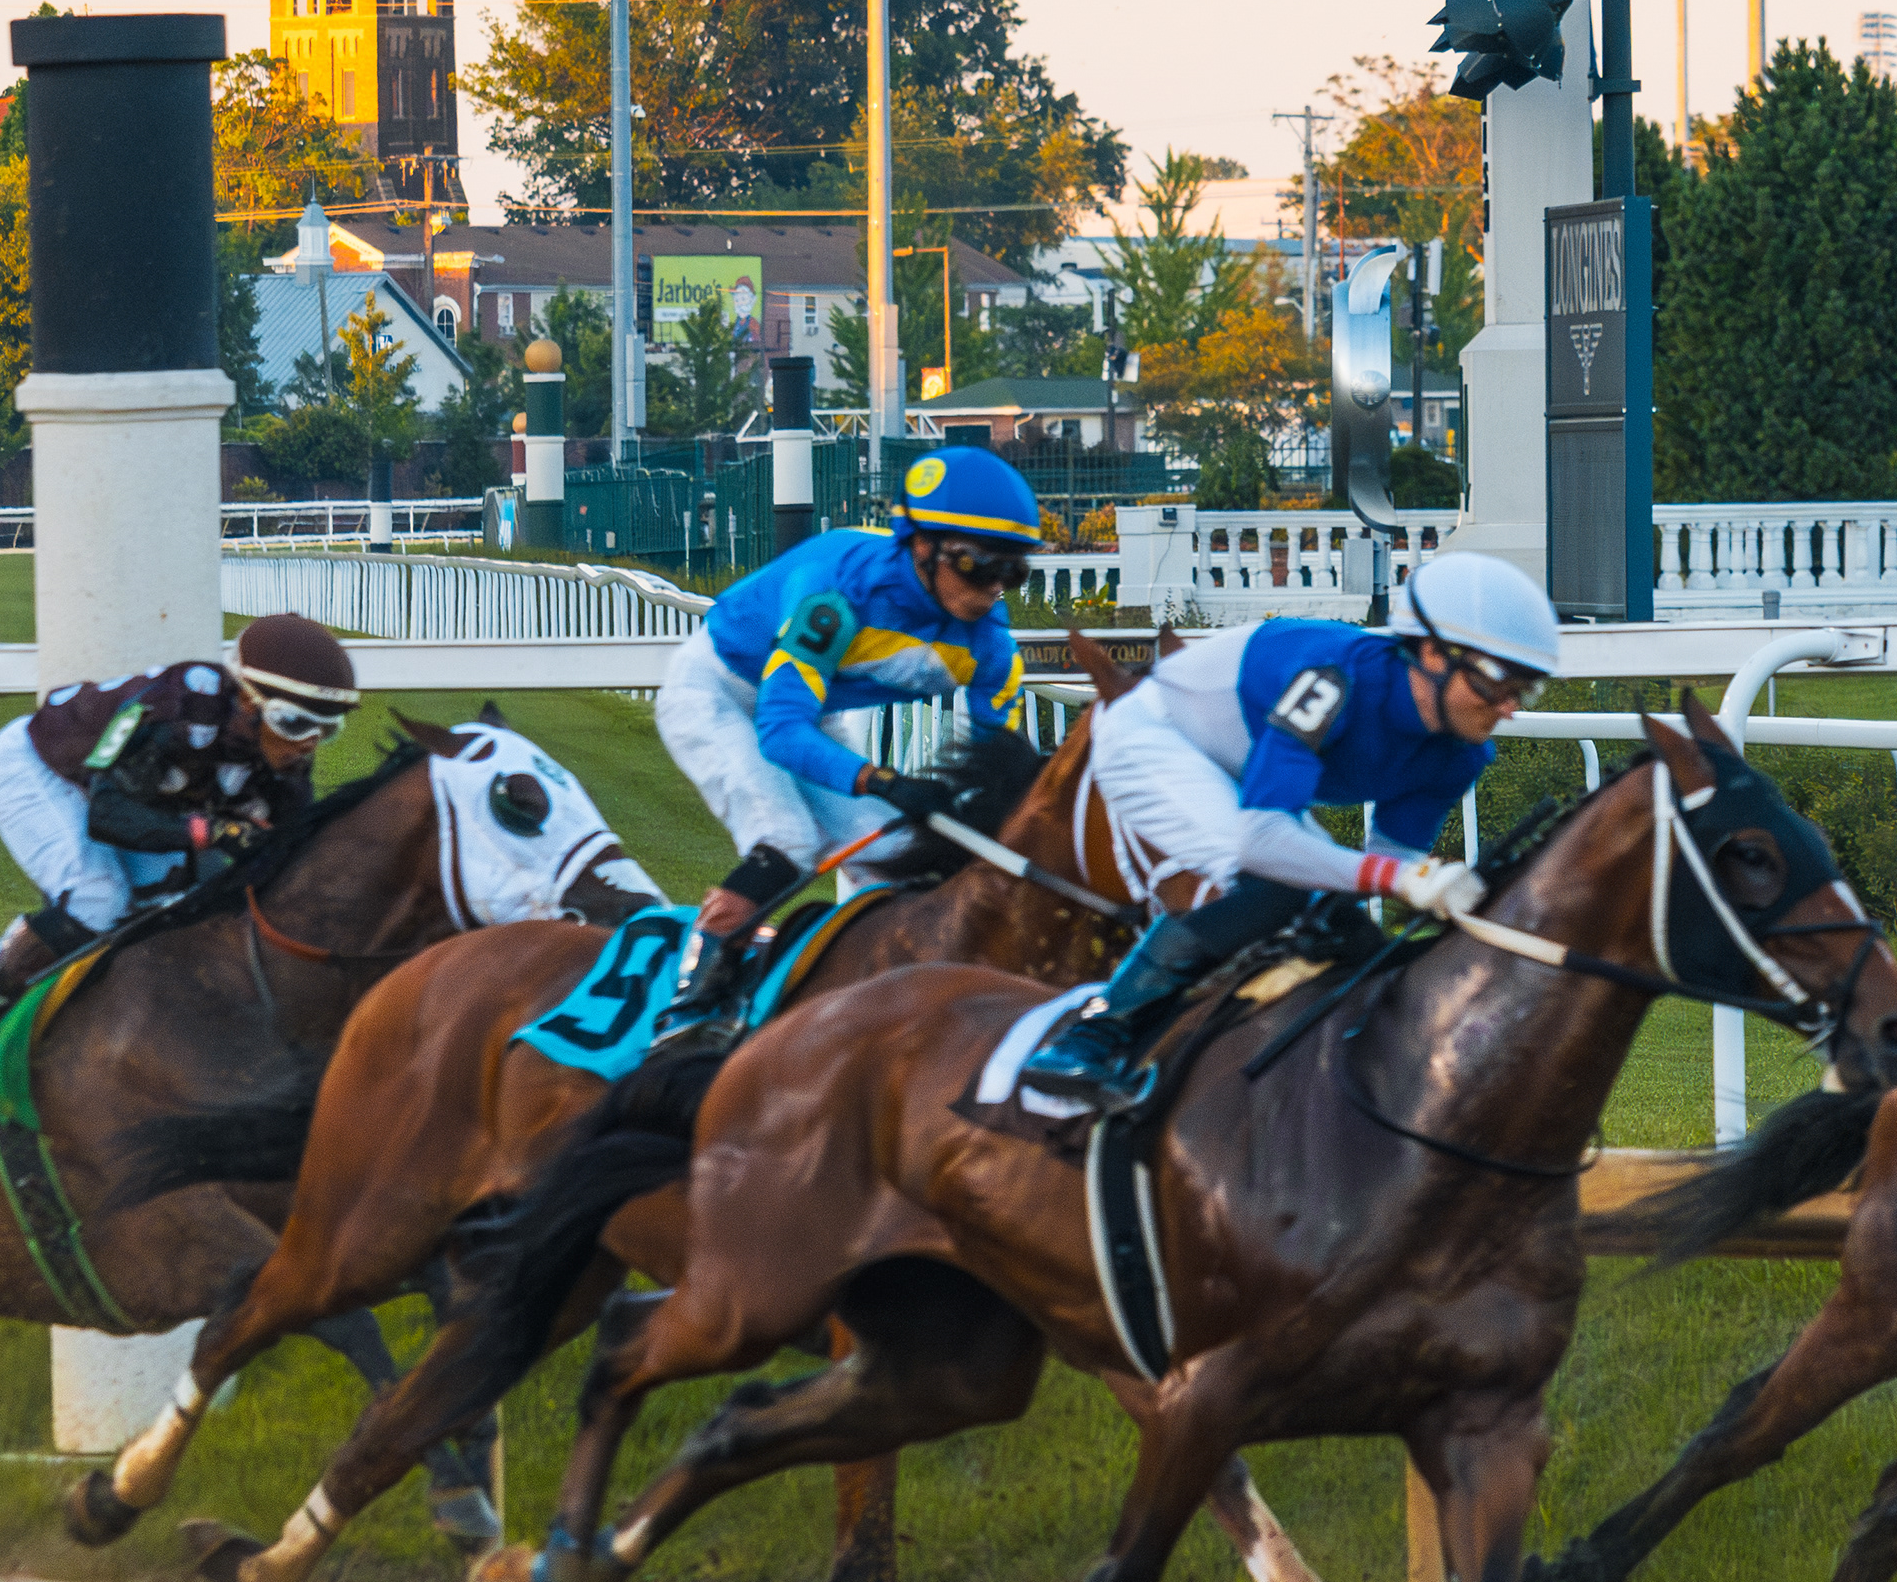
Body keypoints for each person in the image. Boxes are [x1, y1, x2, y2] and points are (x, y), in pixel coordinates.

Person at [1019, 550, 1557, 1113]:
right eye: (1496, 683)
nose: (1510, 708)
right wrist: (1400, 877)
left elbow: (1389, 862)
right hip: (1154, 735)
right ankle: (1090, 1036)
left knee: (1343, 925)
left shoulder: (1460, 757)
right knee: (1278, 881)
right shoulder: (1333, 681)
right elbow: (1263, 843)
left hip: (1241, 765)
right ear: (1430, 653)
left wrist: (1454, 898)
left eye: (1526, 690)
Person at [650, 447, 1041, 1015]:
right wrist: (883, 780)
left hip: (815, 709)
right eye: (977, 565)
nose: (991, 590)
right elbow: (781, 731)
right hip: (716, 691)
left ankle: (871, 988)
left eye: (1013, 571)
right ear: (922, 545)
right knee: (789, 839)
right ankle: (689, 1002)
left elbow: (991, 768)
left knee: (899, 851)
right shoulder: (834, 594)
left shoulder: (990, 647)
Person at [0, 613, 363, 1069]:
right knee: (99, 897)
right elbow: (108, 817)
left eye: (326, 730)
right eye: (292, 723)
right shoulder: (180, 708)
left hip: (131, 796)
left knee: (180, 905)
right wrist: (213, 833)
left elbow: (291, 856)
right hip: (45, 771)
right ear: (248, 702)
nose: (307, 744)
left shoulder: (282, 759)